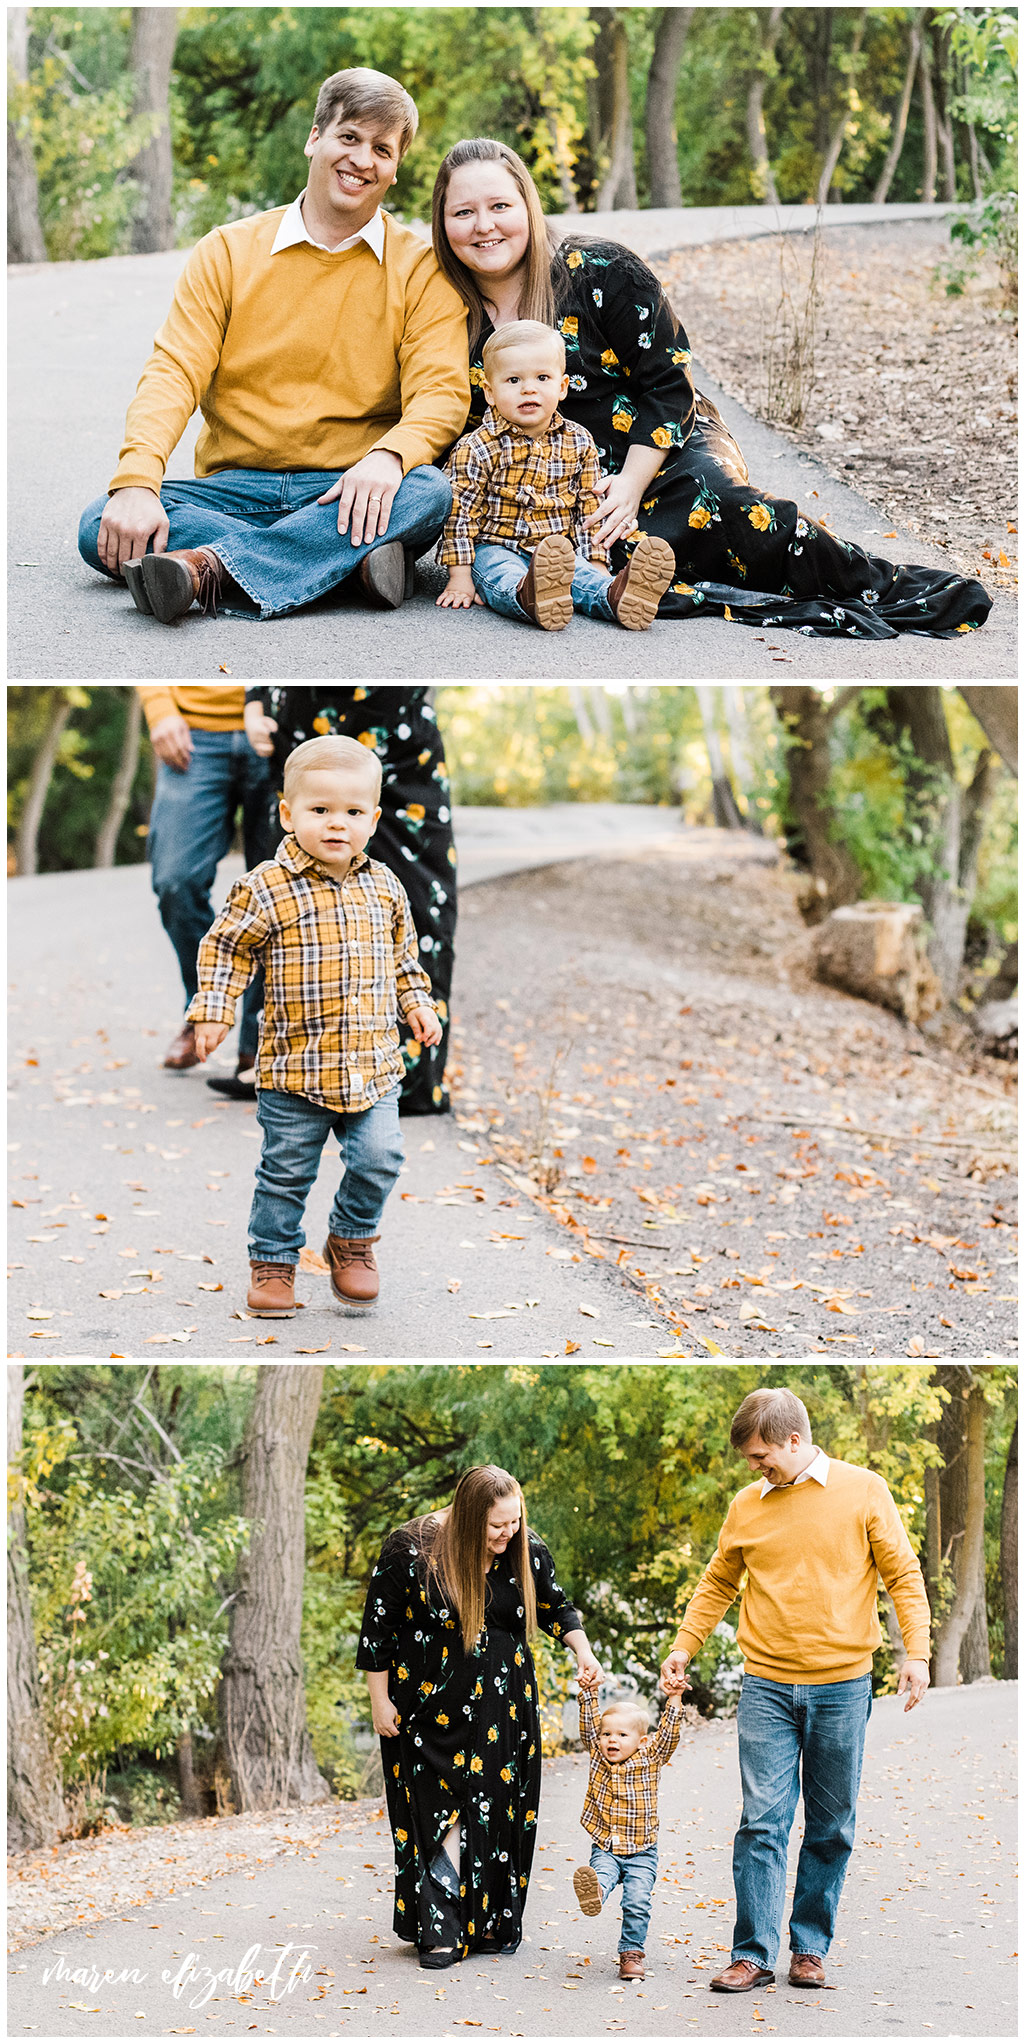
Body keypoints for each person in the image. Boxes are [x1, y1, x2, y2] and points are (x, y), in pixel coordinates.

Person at [431, 137, 992, 640]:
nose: (485, 226)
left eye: (500, 206)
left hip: (663, 447)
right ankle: (599, 584)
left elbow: (669, 382)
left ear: (527, 206)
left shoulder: (598, 270)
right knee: (612, 552)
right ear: (442, 223)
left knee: (715, 503)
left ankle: (876, 583)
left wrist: (628, 486)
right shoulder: (439, 310)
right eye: (464, 212)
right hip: (557, 483)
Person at [78, 70, 469, 625]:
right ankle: (341, 567)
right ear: (315, 138)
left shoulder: (422, 269)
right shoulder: (228, 251)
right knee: (102, 521)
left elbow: (440, 394)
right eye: (350, 137)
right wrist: (139, 479)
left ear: (396, 169)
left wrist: (387, 457)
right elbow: (174, 372)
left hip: (353, 488)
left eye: (382, 149)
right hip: (236, 486)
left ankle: (209, 567)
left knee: (428, 493)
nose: (363, 159)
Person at [660, 1387, 931, 1995]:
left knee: (831, 1826)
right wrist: (684, 1646)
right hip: (766, 1686)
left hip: (842, 1686)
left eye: (761, 1456)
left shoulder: (864, 1490)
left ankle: (809, 1947)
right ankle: (752, 1953)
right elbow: (717, 1581)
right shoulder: (746, 1506)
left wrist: (916, 1651)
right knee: (762, 1822)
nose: (754, 1467)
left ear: (793, 1439)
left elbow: (903, 1575)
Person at [186, 734, 441, 1316]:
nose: (336, 824)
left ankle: (351, 1241)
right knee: (285, 1174)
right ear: (287, 812)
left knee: (380, 1158)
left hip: (371, 1069)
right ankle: (273, 1264)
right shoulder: (265, 888)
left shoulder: (385, 888)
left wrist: (418, 1004)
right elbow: (227, 950)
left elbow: (402, 960)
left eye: (352, 813)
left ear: (373, 819)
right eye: (319, 810)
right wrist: (215, 1008)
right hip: (294, 1071)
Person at [356, 1464, 603, 1968]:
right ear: (468, 1519)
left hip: (505, 1709)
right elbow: (377, 1631)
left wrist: (583, 1651)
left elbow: (556, 1606)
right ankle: (441, 1928)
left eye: (513, 1522)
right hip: (428, 1709)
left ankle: (488, 1925)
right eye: (496, 1526)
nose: (508, 1533)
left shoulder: (524, 1550)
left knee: (494, 1812)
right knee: (438, 1812)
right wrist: (379, 1700)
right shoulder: (411, 1549)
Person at [241, 688, 456, 1114]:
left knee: (421, 903)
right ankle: (286, 1074)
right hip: (307, 730)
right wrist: (253, 702)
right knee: (288, 903)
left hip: (400, 737)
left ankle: (412, 1081)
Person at [437, 318, 675, 631]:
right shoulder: (477, 447)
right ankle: (527, 596)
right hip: (493, 545)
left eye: (542, 377)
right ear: (490, 392)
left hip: (554, 551)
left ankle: (617, 596)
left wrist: (598, 564)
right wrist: (460, 578)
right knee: (502, 575)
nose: (529, 388)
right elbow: (461, 513)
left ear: (562, 387)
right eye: (513, 381)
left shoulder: (578, 441)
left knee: (582, 576)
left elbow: (587, 510)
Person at [137, 686, 275, 1074]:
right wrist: (158, 706)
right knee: (175, 882)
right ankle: (204, 1007)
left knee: (275, 896)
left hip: (278, 726)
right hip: (192, 732)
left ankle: (259, 1038)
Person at [571, 1685, 684, 1981]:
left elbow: (669, 1734)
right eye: (608, 1734)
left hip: (642, 1850)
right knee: (603, 1875)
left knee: (637, 1901)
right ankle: (595, 1891)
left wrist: (674, 1698)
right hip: (606, 1846)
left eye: (622, 1735)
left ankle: (631, 1953)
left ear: (641, 1740)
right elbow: (588, 1725)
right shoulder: (597, 1755)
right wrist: (588, 1692)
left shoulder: (650, 1758)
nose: (612, 1740)